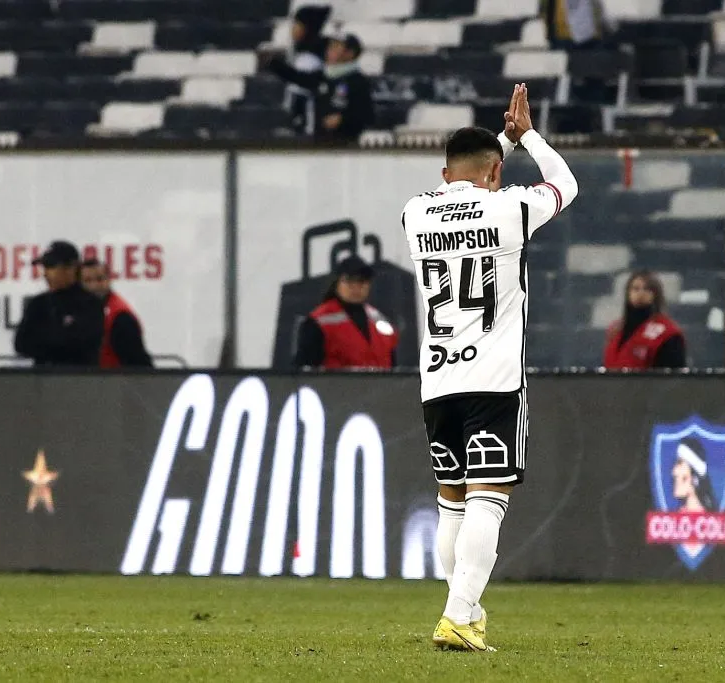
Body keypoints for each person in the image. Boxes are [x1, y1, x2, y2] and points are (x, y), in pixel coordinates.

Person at [402, 84, 578, 651]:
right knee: (489, 496)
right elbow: (565, 185)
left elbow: (462, 180)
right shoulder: (508, 209)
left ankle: (466, 610)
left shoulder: (415, 212)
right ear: (497, 173)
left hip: (437, 379)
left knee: (451, 500)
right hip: (493, 379)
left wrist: (499, 146)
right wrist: (527, 136)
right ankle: (457, 615)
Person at [292, 255, 398, 369]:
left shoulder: (381, 321)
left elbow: (393, 370)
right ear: (337, 283)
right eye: (349, 280)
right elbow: (304, 374)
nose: (356, 287)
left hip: (382, 387)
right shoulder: (317, 323)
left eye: (362, 281)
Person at [263, 33, 374, 141]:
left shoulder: (358, 81)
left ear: (350, 53)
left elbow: (366, 115)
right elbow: (298, 77)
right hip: (320, 142)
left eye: (336, 47)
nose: (329, 50)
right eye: (330, 46)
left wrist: (343, 119)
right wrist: (274, 64)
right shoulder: (324, 76)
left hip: (345, 146)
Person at [14, 240, 104, 367]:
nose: (45, 273)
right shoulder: (38, 304)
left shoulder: (90, 304)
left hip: (79, 382)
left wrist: (46, 340)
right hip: (42, 382)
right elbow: (21, 344)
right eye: (44, 267)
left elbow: (83, 345)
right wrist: (59, 339)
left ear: (72, 267)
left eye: (51, 266)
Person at [603, 270, 687, 370]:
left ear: (656, 294)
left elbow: (673, 377)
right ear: (628, 293)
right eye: (635, 288)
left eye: (647, 289)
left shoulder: (668, 333)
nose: (640, 293)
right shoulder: (615, 330)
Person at [80, 258, 153, 368]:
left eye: (100, 279)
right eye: (87, 280)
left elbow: (138, 365)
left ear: (109, 280)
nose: (94, 286)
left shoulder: (120, 317)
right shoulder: (78, 311)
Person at [283, 5, 331, 136]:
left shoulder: (309, 59)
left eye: (297, 25)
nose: (293, 29)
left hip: (309, 123)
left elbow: (300, 95)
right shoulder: (300, 53)